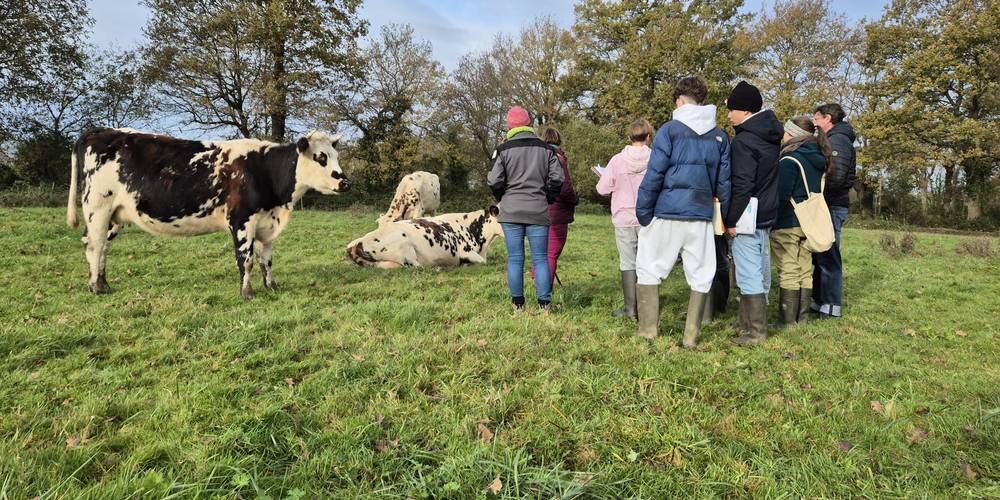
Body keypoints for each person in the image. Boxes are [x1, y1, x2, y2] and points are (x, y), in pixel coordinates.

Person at [634, 76, 731, 348]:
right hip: (700, 214)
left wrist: (643, 212)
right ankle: (691, 336)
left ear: (679, 100)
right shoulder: (720, 136)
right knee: (701, 273)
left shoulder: (669, 130)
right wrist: (724, 217)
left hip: (667, 211)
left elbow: (654, 174)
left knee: (650, 268)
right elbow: (724, 183)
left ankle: (648, 331)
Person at [487, 106, 563, 312]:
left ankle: (518, 305)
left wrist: (502, 196)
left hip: (511, 210)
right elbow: (558, 178)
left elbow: (494, 180)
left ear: (509, 126)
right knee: (540, 258)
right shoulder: (547, 149)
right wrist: (548, 196)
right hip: (538, 209)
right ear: (529, 123)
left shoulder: (502, 150)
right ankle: (544, 304)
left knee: (515, 259)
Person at [724, 81, 783, 346]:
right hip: (768, 212)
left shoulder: (745, 141)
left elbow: (743, 184)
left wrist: (731, 219)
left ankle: (755, 332)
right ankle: (748, 322)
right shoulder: (770, 136)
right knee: (761, 267)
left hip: (747, 215)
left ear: (745, 111)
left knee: (748, 271)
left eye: (731, 109)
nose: (728, 115)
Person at [771, 116, 831, 326]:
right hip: (809, 223)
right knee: (805, 268)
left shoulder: (789, 160)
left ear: (792, 135)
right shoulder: (817, 158)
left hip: (788, 221)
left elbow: (781, 194)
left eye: (785, 132)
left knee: (788, 268)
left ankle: (787, 321)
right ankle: (802, 318)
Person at [596, 119, 654, 318]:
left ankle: (631, 309)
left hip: (623, 216)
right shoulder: (656, 158)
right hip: (648, 216)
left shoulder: (617, 160)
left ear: (629, 138)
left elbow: (602, 189)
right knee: (648, 262)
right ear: (648, 137)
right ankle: (648, 309)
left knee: (628, 262)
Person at [811, 103, 855, 319]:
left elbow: (835, 177)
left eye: (817, 118)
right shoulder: (833, 139)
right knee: (820, 254)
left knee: (829, 253)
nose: (815, 123)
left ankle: (830, 304)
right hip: (827, 204)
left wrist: (819, 198)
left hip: (831, 204)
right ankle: (819, 300)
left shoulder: (838, 141)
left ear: (828, 118)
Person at [534, 127, 578, 284]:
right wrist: (574, 199)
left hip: (537, 211)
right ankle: (544, 291)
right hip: (556, 213)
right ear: (559, 141)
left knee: (540, 252)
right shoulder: (558, 158)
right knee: (551, 253)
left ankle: (537, 279)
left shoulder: (535, 158)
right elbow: (565, 188)